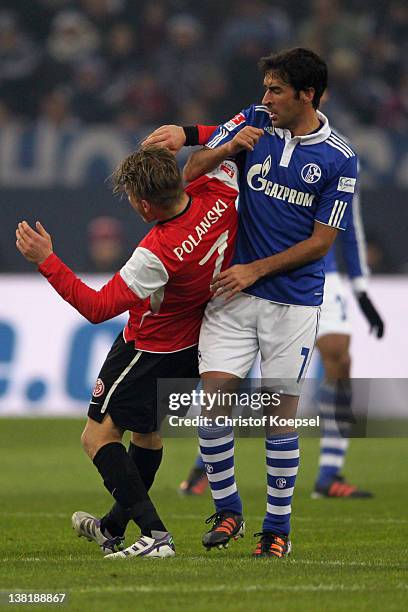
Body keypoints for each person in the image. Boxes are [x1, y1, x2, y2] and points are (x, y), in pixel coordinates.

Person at [145, 47, 358, 558]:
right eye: (265, 88)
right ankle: (229, 513)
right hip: (231, 296)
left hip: (292, 303)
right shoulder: (254, 121)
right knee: (211, 408)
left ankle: (277, 529)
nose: (265, 98)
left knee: (278, 419)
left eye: (276, 89)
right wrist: (225, 148)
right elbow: (191, 172)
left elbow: (322, 242)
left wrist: (256, 269)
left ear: (307, 94)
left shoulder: (339, 157)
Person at [15, 145, 239, 559]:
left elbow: (98, 308)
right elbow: (235, 140)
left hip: (148, 347)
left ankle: (155, 534)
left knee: (96, 436)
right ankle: (113, 526)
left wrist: (47, 260)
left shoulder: (156, 252)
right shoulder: (220, 193)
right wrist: (197, 135)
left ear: (142, 203)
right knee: (147, 436)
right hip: (193, 345)